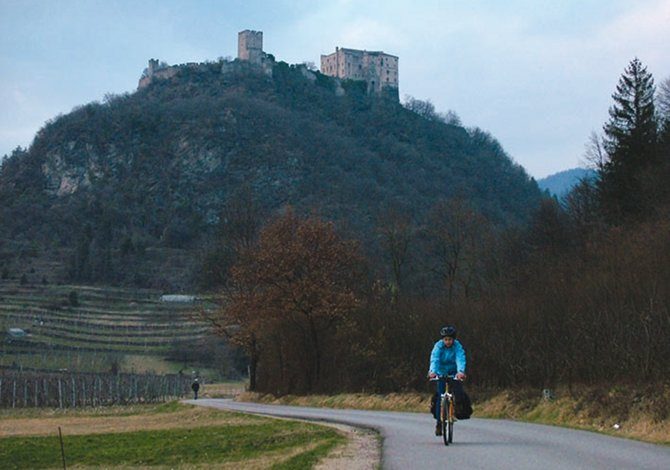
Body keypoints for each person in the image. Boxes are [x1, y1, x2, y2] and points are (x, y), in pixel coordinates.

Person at [427, 325, 469, 436]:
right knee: (440, 397)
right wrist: (432, 372)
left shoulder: (457, 347)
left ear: (453, 339)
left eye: (450, 339)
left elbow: (460, 358)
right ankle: (439, 423)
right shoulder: (438, 347)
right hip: (440, 372)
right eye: (445, 339)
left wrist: (460, 372)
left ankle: (455, 410)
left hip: (454, 372)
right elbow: (434, 359)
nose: (448, 342)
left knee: (458, 393)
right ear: (442, 339)